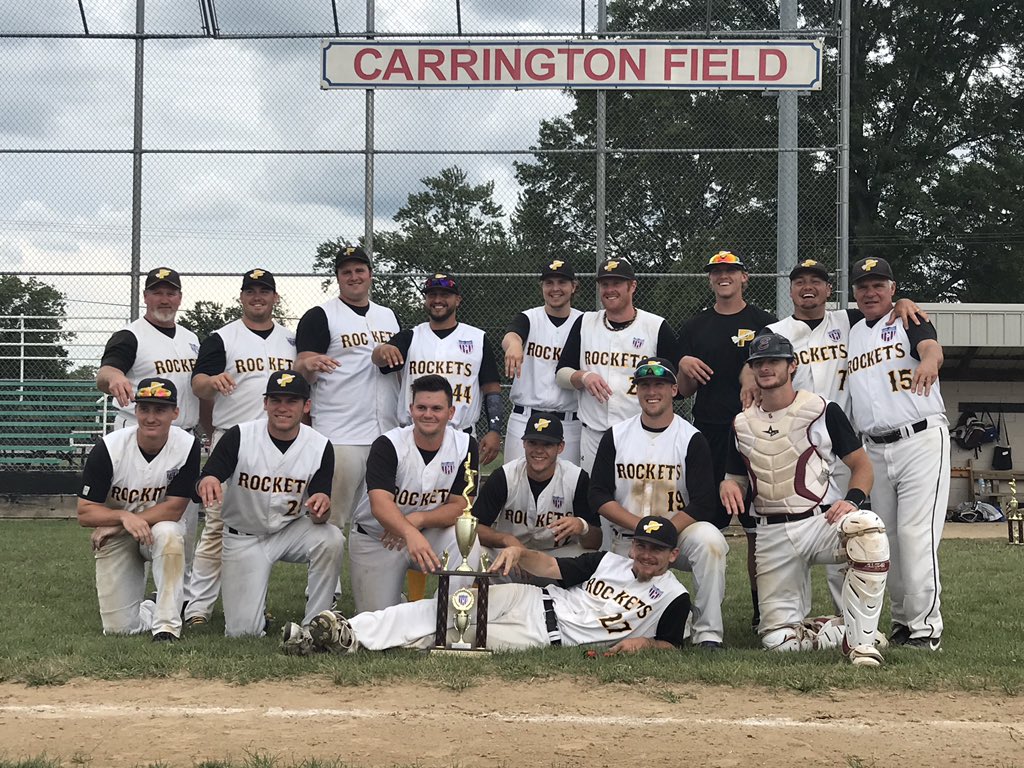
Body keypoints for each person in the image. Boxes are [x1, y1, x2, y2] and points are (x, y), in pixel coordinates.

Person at [281, 515, 690, 655]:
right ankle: (348, 629)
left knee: (450, 640)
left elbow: (671, 645)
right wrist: (518, 553)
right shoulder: (610, 561)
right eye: (641, 544)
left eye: (657, 549)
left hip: (543, 637)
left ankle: (338, 642)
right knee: (444, 608)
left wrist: (647, 644)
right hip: (529, 599)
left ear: (673, 555)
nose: (646, 554)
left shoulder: (673, 596)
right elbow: (551, 566)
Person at [720, 332, 889, 666]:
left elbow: (862, 466)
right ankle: (834, 629)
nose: (766, 368)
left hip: (819, 520)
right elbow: (735, 478)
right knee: (777, 643)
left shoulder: (822, 410)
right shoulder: (741, 423)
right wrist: (729, 486)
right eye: (758, 363)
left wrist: (852, 501)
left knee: (867, 529)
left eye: (773, 362)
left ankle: (861, 643)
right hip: (771, 531)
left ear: (791, 366)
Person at [183, 268, 296, 629]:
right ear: (242, 296)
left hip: (281, 445)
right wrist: (211, 381)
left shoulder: (290, 340)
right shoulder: (221, 337)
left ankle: (253, 603)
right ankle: (198, 607)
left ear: (275, 297)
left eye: (264, 290)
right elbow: (198, 383)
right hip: (233, 441)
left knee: (271, 526)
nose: (257, 296)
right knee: (217, 525)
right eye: (251, 291)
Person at [846, 257, 949, 651]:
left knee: (915, 535)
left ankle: (926, 629)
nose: (870, 292)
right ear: (854, 293)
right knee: (887, 538)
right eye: (862, 286)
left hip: (921, 438)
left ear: (892, 289)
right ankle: (902, 622)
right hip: (876, 447)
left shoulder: (909, 318)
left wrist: (929, 360)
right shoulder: (853, 332)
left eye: (878, 285)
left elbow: (931, 349)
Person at [588, 358, 728, 648]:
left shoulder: (691, 438)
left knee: (711, 541)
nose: (652, 391)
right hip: (627, 535)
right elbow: (598, 495)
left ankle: (708, 634)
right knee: (612, 618)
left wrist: (662, 534)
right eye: (645, 385)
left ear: (674, 389)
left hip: (676, 536)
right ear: (636, 391)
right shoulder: (616, 436)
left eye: (660, 384)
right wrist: (642, 529)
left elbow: (703, 503)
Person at [196, 370, 342, 638]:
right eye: (275, 400)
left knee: (330, 537)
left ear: (306, 406)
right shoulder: (240, 435)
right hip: (243, 536)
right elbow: (210, 474)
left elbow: (321, 511)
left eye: (292, 401)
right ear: (265, 403)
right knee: (242, 634)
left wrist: (323, 506)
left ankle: (316, 625)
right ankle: (256, 617)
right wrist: (208, 481)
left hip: (289, 531)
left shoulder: (320, 445)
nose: (282, 408)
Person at [676, 250, 777, 628]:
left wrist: (751, 368)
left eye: (731, 271)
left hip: (755, 433)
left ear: (744, 277)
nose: (724, 277)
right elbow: (682, 391)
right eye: (717, 272)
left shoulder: (764, 324)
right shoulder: (694, 328)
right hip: (709, 435)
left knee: (758, 530)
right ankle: (702, 613)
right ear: (710, 279)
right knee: (705, 528)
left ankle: (762, 611)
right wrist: (683, 364)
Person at [76, 378, 200, 642]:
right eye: (145, 409)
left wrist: (123, 520)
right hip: (117, 535)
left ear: (175, 413)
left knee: (170, 532)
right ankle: (151, 608)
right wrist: (122, 517)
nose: (151, 417)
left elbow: (175, 508)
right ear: (135, 411)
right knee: (119, 629)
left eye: (160, 409)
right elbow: (85, 512)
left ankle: (167, 627)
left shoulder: (187, 446)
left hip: (155, 529)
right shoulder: (109, 448)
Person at [347, 374, 482, 612]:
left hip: (430, 533)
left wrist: (418, 521)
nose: (428, 414)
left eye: (436, 408)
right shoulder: (388, 444)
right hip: (378, 538)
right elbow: (380, 504)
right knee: (376, 625)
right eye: (421, 407)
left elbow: (462, 505)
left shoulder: (465, 445)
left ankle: (450, 615)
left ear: (451, 413)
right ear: (411, 409)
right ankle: (399, 605)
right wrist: (409, 531)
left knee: (466, 540)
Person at [294, 245, 401, 535]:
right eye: (346, 272)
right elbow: (300, 366)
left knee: (379, 524)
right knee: (330, 523)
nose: (354, 276)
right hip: (340, 434)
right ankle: (324, 583)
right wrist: (310, 362)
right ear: (338, 278)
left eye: (359, 270)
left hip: (385, 432)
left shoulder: (388, 316)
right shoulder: (320, 315)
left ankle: (370, 582)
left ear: (371, 275)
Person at [554, 257, 678, 476]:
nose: (609, 289)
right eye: (604, 284)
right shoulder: (585, 322)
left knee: (637, 500)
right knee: (594, 500)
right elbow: (562, 374)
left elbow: (674, 383)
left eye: (616, 283)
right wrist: (583, 377)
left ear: (632, 286)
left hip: (640, 433)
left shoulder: (655, 326)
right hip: (593, 434)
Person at [373, 273, 503, 466]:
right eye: (432, 295)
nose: (438, 300)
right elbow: (380, 360)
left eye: (445, 295)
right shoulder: (410, 337)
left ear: (457, 300)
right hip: (412, 435)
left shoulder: (477, 338)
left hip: (461, 435)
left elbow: (491, 387)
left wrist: (495, 429)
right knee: (407, 496)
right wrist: (381, 350)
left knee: (461, 495)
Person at [474, 411, 602, 561]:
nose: (539, 450)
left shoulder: (576, 478)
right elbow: (475, 528)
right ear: (524, 444)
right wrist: (506, 539)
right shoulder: (505, 476)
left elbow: (595, 542)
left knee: (591, 559)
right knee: (475, 553)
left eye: (547, 444)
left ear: (560, 447)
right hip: (511, 557)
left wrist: (583, 526)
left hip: (557, 559)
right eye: (533, 442)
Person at [96, 267, 200, 432]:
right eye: (157, 293)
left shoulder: (191, 338)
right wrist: (114, 377)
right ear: (145, 297)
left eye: (170, 294)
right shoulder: (129, 336)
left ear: (180, 298)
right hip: (138, 431)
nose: (164, 300)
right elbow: (105, 374)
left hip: (185, 434)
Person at [502, 259, 583, 464]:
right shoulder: (529, 318)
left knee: (569, 489)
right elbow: (512, 335)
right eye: (549, 283)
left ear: (573, 286)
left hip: (570, 423)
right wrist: (514, 345)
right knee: (515, 486)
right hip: (524, 419)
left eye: (562, 282)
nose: (555, 288)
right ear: (542, 287)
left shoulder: (585, 322)